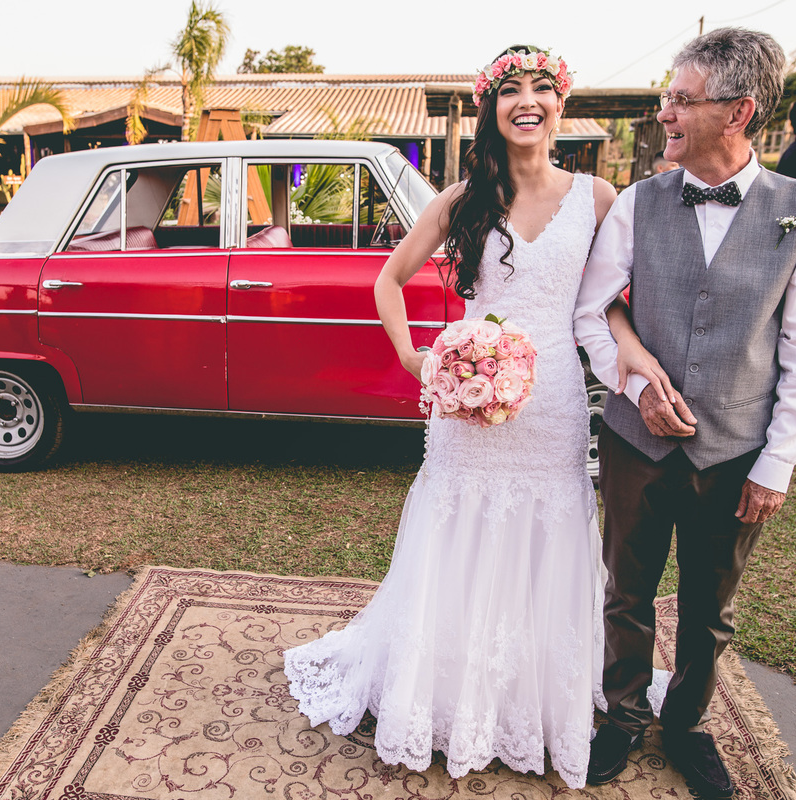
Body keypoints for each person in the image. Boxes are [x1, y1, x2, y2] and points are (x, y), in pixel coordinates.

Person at [285, 44, 635, 788]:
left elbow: (609, 303)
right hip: (465, 405)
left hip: (554, 409)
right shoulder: (460, 199)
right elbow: (390, 278)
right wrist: (418, 358)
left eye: (542, 88)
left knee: (546, 536)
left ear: (561, 105)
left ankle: (529, 702)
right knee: (460, 532)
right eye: (511, 90)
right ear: (492, 107)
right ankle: (440, 696)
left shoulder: (599, 199)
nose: (527, 101)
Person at [573, 28, 796, 799]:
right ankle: (620, 718)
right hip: (634, 446)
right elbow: (593, 315)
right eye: (668, 97)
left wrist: (778, 460)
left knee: (708, 609)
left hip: (737, 452)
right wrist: (634, 392)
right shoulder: (636, 201)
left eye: (682, 100)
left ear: (739, 111)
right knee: (626, 592)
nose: (666, 114)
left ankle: (685, 724)